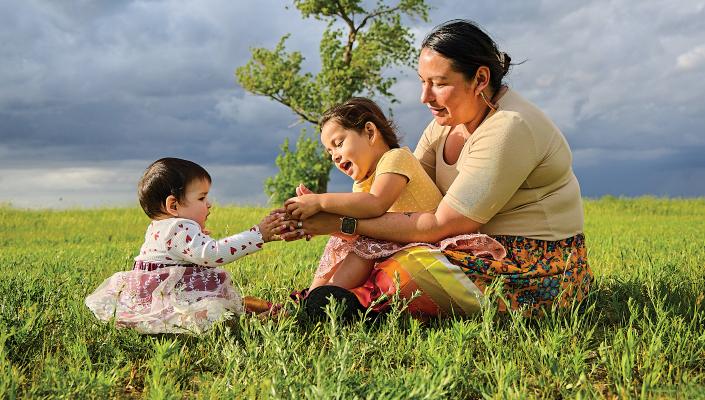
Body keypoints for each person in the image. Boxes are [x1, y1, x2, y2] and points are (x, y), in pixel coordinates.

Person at [286, 20, 592, 318]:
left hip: (532, 268)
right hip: (466, 254)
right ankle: (324, 300)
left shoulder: (509, 127)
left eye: (439, 83)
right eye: (423, 81)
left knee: (415, 265)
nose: (425, 97)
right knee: (379, 249)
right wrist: (342, 220)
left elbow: (441, 224)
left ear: (480, 80)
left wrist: (343, 223)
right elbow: (405, 194)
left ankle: (348, 304)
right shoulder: (442, 127)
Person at [283, 98, 504, 293]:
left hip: (431, 241)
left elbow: (376, 205)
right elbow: (355, 227)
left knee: (365, 245)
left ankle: (330, 294)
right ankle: (314, 295)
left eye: (339, 144)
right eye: (329, 152)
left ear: (370, 132)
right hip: (398, 241)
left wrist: (321, 202)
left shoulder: (395, 158)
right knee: (346, 243)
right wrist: (319, 220)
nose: (334, 156)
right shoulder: (362, 183)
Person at [85, 158, 282, 333]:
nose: (209, 204)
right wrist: (257, 235)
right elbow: (212, 254)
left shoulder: (160, 226)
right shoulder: (179, 227)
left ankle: (251, 313)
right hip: (173, 299)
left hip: (156, 297)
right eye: (201, 198)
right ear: (173, 206)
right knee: (215, 314)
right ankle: (253, 322)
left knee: (218, 309)